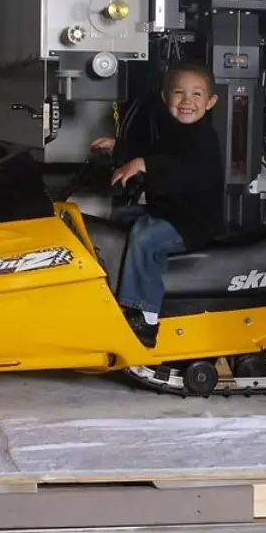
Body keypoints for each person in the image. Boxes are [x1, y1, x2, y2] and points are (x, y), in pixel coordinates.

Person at [91, 62, 225, 347]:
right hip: (168, 212)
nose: (187, 101)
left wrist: (144, 164)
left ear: (211, 102)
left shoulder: (204, 138)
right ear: (166, 98)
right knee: (119, 219)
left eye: (197, 95)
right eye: (179, 93)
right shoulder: (173, 131)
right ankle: (108, 290)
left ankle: (145, 316)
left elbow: (185, 170)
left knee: (145, 236)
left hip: (192, 223)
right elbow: (153, 153)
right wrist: (119, 148)